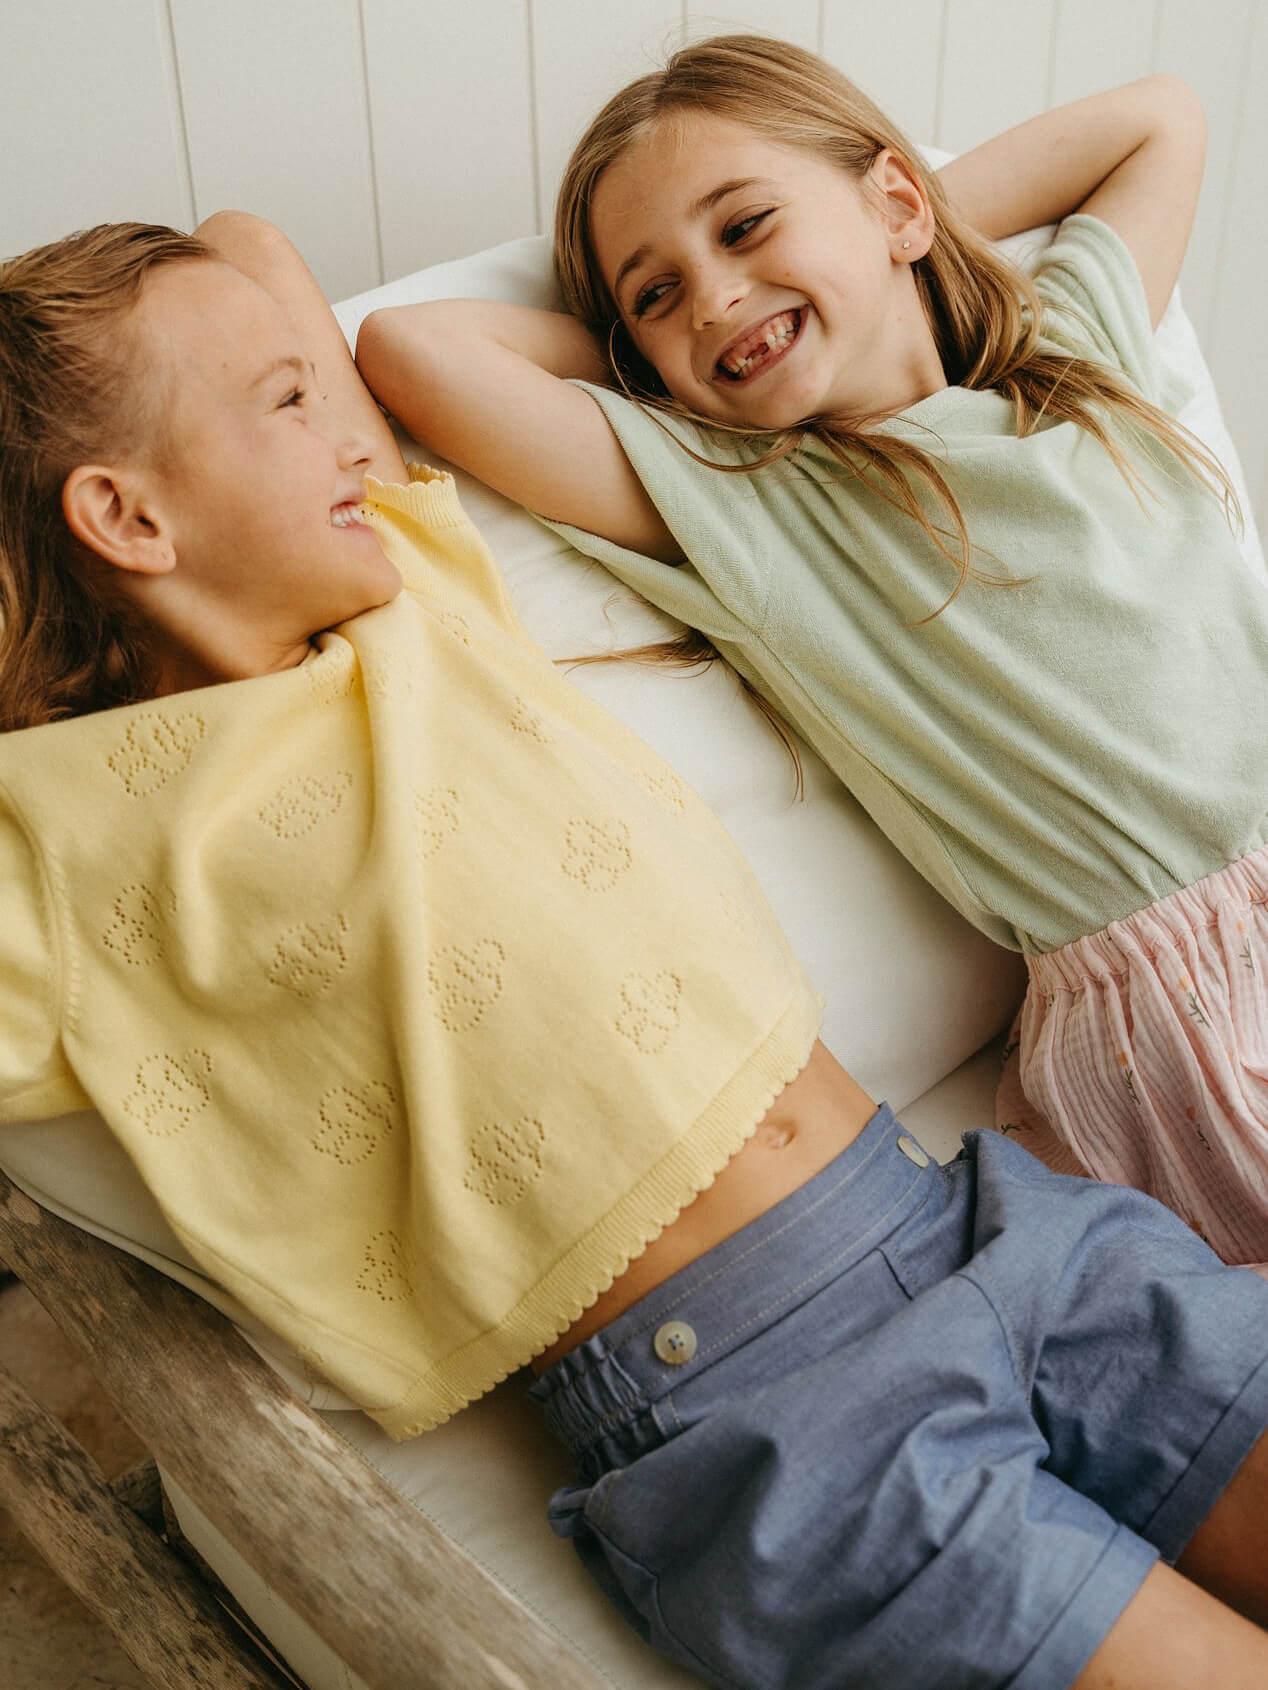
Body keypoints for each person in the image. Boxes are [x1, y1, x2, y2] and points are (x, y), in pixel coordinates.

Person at [0, 209, 1265, 1690]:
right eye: (289, 402)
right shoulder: (61, 833)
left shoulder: (416, 607)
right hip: (760, 1412)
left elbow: (251, 249)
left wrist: (217, 354)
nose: (346, 426)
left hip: (984, 1226)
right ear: (128, 519)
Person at [355, 35, 1268, 1274]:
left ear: (897, 198)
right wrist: (652, 375)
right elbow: (413, 350)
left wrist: (903, 231)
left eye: (742, 228)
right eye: (653, 293)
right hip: (1186, 1013)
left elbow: (1159, 115)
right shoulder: (758, 499)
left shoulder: (1074, 355)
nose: (715, 297)